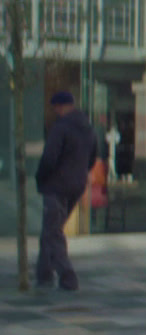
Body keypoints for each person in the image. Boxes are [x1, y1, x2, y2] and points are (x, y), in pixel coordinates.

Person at [34, 91, 98, 291]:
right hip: (76, 185)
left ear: (60, 106)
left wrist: (40, 177)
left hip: (56, 185)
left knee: (53, 233)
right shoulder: (87, 127)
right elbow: (93, 156)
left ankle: (67, 276)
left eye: (55, 107)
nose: (55, 111)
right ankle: (43, 274)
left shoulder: (60, 128)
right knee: (50, 230)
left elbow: (49, 158)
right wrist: (81, 174)